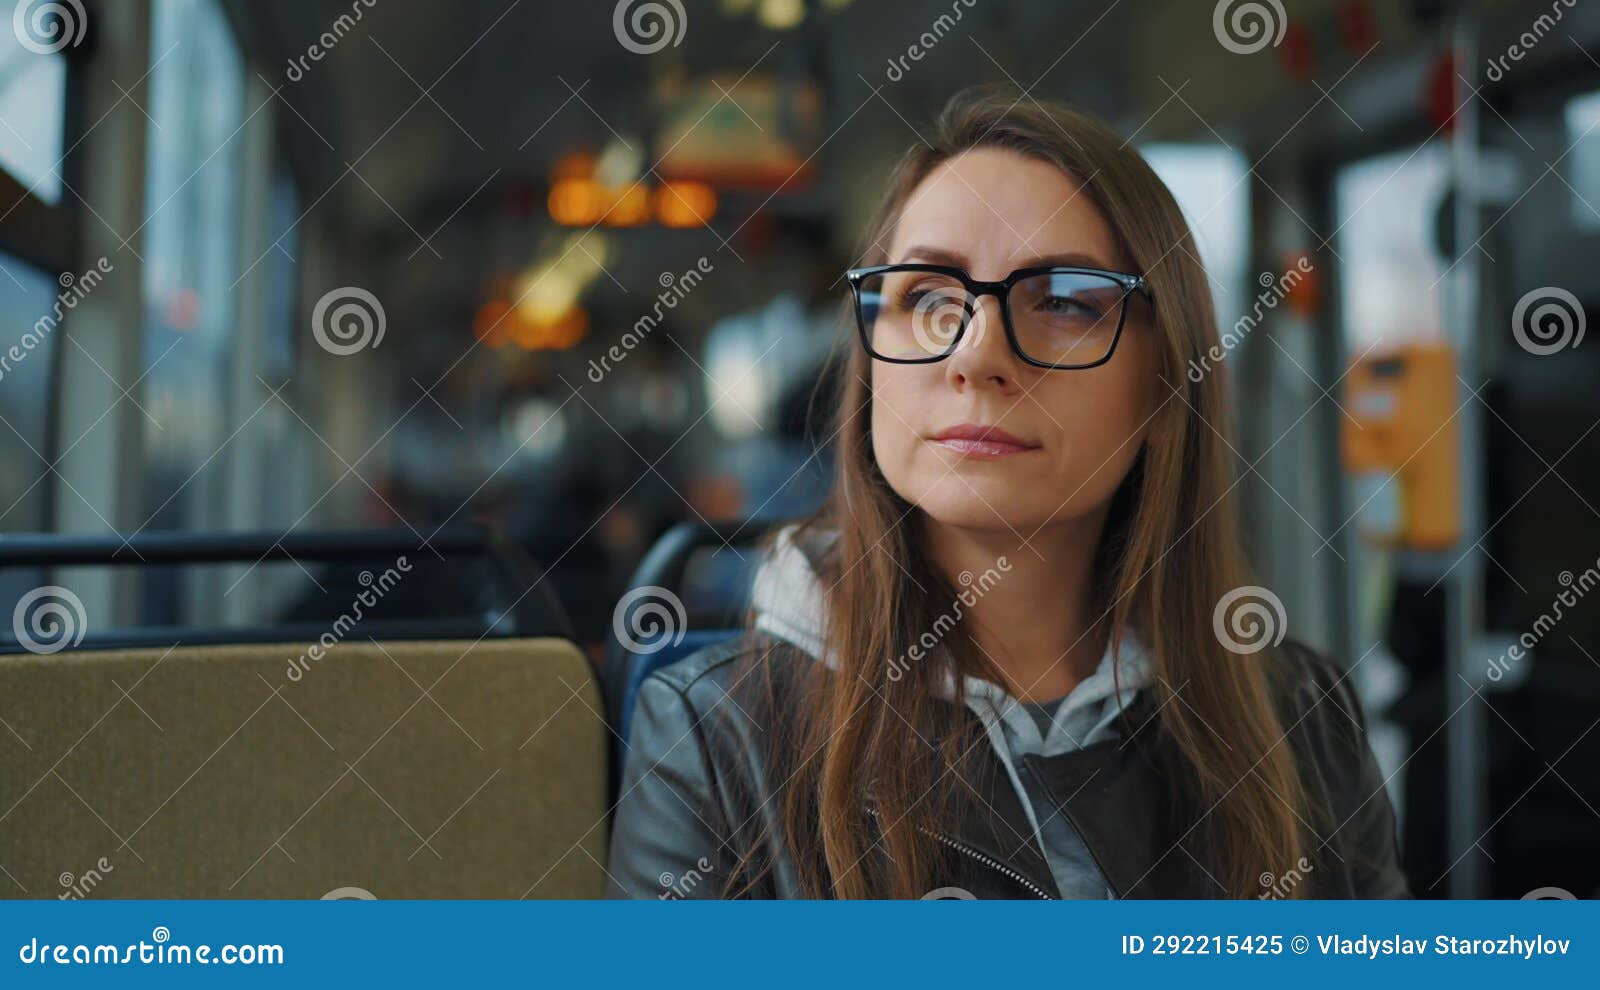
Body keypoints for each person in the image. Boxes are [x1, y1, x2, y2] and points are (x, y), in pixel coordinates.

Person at [606, 87, 1409, 899]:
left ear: (1167, 389)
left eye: (1062, 301)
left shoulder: (1303, 718)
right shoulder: (713, 738)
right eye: (927, 298)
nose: (976, 355)